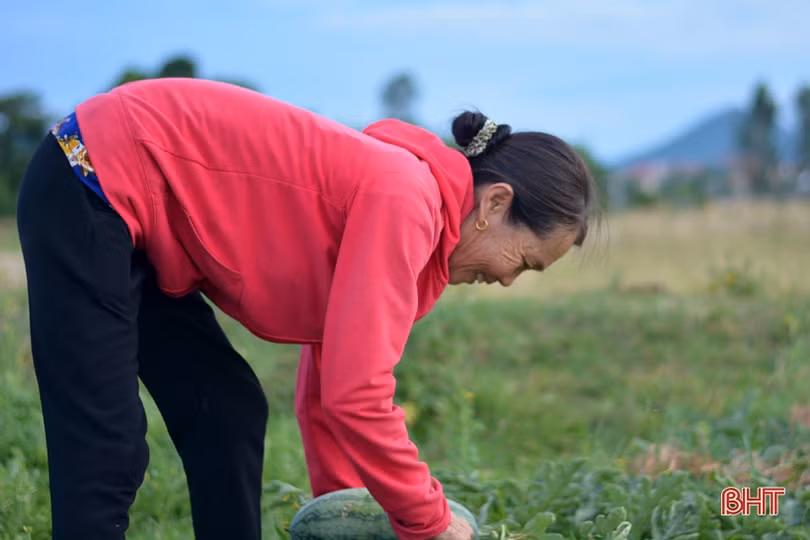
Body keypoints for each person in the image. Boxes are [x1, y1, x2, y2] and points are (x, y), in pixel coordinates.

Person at [16, 77, 597, 540]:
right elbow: (357, 395)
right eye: (523, 261)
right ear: (495, 204)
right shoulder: (405, 200)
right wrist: (429, 522)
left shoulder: (410, 215)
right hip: (89, 174)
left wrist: (340, 514)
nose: (506, 279)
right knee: (106, 446)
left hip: (137, 213)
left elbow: (327, 390)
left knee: (226, 408)